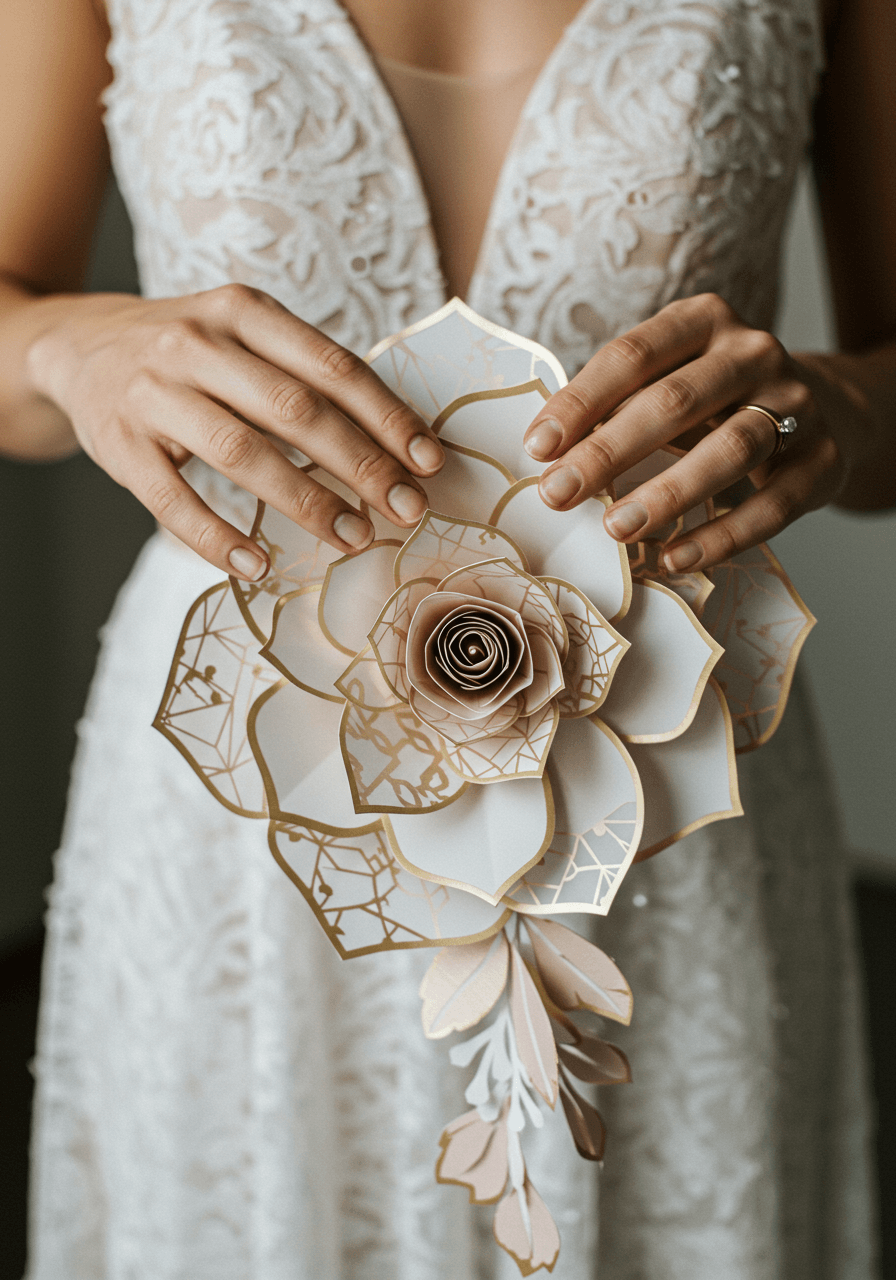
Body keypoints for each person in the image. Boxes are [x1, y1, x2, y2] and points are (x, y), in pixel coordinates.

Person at [2, 0, 893, 1274]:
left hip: (660, 772)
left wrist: (840, 408)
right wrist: (64, 345)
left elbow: (881, 379)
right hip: (249, 783)